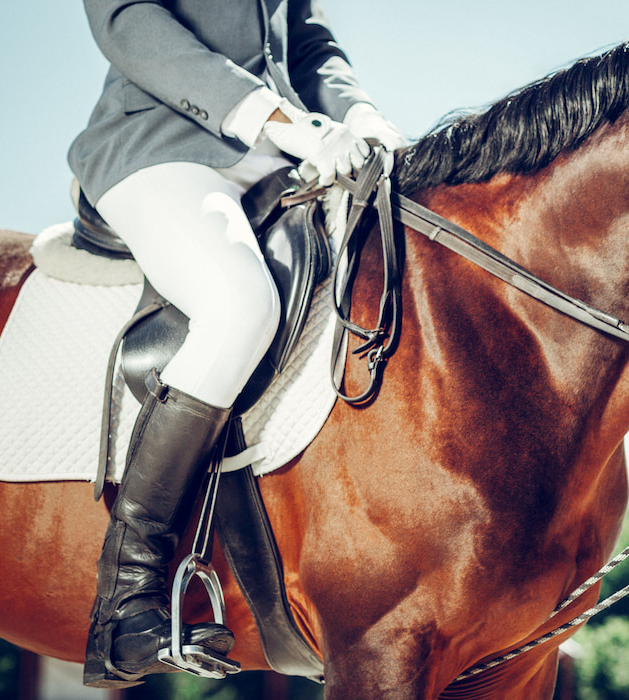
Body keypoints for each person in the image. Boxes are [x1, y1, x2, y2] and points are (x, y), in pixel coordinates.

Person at [67, 0, 404, 688]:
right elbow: (128, 20)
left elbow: (304, 40)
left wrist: (360, 113)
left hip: (283, 159)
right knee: (238, 305)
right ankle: (127, 596)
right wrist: (283, 122)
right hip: (161, 144)